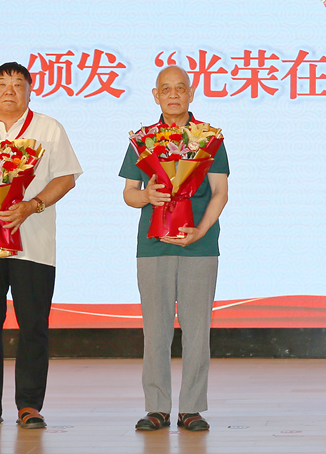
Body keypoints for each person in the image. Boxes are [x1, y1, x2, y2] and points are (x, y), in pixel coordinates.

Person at [0, 62, 82, 429]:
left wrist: (31, 205)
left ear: (30, 91)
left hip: (33, 245)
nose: (10, 90)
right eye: (2, 84)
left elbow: (66, 178)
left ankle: (29, 405)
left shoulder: (49, 129)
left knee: (33, 325)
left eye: (18, 84)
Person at [120, 66, 229, 433]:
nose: (173, 95)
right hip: (154, 246)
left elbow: (220, 192)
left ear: (191, 93)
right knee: (155, 331)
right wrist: (146, 196)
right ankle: (157, 408)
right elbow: (129, 193)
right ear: (156, 95)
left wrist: (200, 232)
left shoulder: (209, 138)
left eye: (180, 88)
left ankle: (192, 408)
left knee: (198, 331)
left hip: (200, 245)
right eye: (165, 89)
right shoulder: (143, 140)